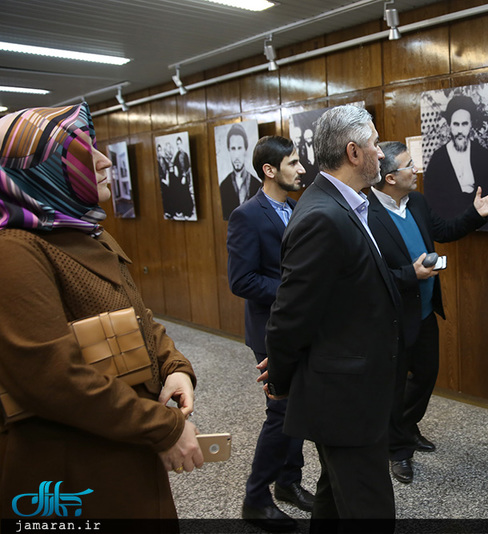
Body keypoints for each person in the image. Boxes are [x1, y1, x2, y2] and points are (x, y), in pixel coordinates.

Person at [0, 104, 202, 525]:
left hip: (120, 445)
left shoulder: (85, 231)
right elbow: (52, 378)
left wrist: (174, 367)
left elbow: (138, 317)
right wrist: (162, 427)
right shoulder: (16, 250)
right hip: (73, 465)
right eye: (83, 152)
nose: (106, 160)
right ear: (42, 170)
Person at [263, 105, 401, 532]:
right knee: (371, 512)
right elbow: (290, 316)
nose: (383, 152)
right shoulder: (323, 216)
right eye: (377, 143)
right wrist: (281, 381)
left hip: (354, 390)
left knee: (335, 501)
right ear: (354, 152)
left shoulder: (343, 206)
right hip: (343, 399)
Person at [367, 141, 488, 484]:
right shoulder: (365, 212)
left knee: (426, 375)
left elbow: (442, 231)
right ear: (389, 177)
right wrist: (408, 275)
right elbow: (366, 274)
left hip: (426, 310)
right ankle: (397, 450)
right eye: (409, 165)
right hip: (393, 317)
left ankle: (404, 427)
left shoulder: (416, 201)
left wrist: (476, 214)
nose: (416, 169)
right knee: (394, 383)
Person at [226, 136, 313, 531]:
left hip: (297, 326)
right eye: (293, 163)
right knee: (280, 412)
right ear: (270, 170)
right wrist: (293, 291)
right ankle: (255, 498)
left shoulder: (295, 208)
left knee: (296, 408)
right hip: (269, 330)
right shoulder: (247, 215)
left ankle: (288, 482)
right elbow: (241, 280)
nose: (301, 169)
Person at [424, 95, 488, 231]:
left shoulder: (483, 155)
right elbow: (432, 200)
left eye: (464, 124)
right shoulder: (438, 159)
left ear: (471, 125)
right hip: (450, 228)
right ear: (450, 125)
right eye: (456, 124)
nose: (460, 131)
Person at [220, 123, 262, 221]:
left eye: (239, 148)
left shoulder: (257, 184)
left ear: (245, 150)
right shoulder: (224, 186)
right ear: (229, 151)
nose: (237, 155)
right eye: (233, 149)